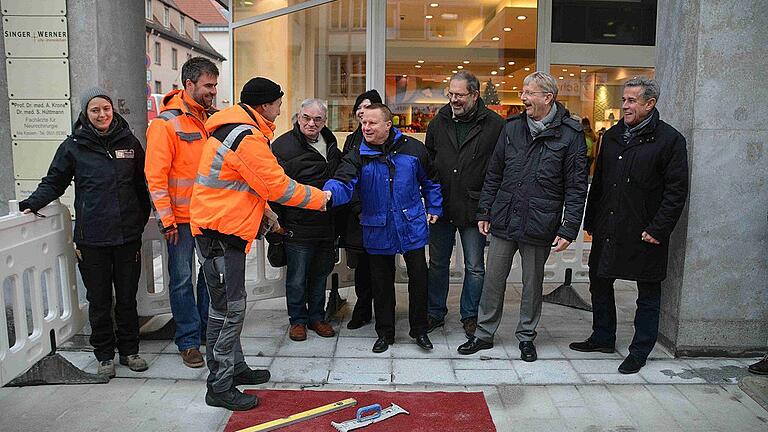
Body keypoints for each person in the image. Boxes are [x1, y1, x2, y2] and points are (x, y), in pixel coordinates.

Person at [191, 77, 331, 411]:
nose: (281, 109)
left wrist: (268, 218)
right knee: (228, 311)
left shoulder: (236, 130)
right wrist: (321, 198)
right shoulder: (247, 137)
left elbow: (248, 185)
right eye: (279, 103)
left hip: (220, 232)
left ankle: (235, 367)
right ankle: (220, 385)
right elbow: (279, 186)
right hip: (220, 236)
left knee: (226, 308)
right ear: (265, 104)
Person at [19, 87, 151, 378]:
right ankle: (104, 355)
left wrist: (139, 221)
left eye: (106, 108)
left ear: (112, 110)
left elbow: (141, 187)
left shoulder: (129, 142)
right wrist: (32, 203)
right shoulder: (74, 146)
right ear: (85, 114)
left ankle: (130, 351)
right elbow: (55, 181)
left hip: (127, 237)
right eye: (95, 110)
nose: (102, 114)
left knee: (127, 298)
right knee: (100, 300)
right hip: (92, 238)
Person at [458, 72, 588, 362]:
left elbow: (576, 187)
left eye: (529, 93)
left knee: (532, 284)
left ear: (547, 97)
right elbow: (494, 172)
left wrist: (568, 229)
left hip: (540, 221)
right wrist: (485, 210)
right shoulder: (512, 127)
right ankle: (483, 333)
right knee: (493, 279)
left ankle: (526, 336)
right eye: (523, 91)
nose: (523, 97)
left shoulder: (571, 134)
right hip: (505, 217)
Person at [570, 77, 689, 374]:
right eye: (624, 100)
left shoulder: (670, 140)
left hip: (645, 231)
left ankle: (639, 350)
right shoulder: (610, 137)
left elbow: (676, 191)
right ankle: (602, 337)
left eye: (632, 100)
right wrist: (591, 220)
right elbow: (598, 183)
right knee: (599, 282)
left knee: (647, 293)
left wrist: (658, 228)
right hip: (608, 227)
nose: (625, 106)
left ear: (650, 104)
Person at [324, 103, 442, 354]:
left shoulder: (414, 149)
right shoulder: (358, 153)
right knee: (381, 284)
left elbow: (431, 181)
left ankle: (419, 330)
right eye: (364, 123)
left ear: (388, 125)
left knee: (419, 279)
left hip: (411, 226)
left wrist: (434, 207)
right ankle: (385, 333)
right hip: (377, 227)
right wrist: (328, 194)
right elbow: (343, 180)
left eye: (372, 123)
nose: (365, 127)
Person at [145, 57, 219, 368]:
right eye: (208, 86)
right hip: (180, 221)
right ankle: (188, 341)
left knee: (209, 276)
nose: (212, 92)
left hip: (209, 217)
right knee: (181, 279)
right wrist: (166, 220)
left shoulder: (212, 121)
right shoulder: (166, 124)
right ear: (188, 85)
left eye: (214, 86)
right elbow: (155, 176)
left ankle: (203, 331)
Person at [425, 71, 504, 338]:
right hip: (442, 206)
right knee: (437, 263)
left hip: (475, 208)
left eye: (459, 95)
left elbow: (498, 168)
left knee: (475, 266)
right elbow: (430, 165)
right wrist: (431, 202)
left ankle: (470, 315)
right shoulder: (439, 123)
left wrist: (489, 207)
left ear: (474, 95)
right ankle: (435, 312)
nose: (454, 100)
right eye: (451, 94)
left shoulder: (494, 125)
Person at [270, 99, 342, 341]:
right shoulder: (282, 146)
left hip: (326, 224)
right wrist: (276, 223)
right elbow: (273, 189)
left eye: (317, 119)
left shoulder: (331, 143)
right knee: (297, 278)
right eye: (306, 118)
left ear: (324, 121)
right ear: (298, 117)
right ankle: (297, 321)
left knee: (321, 275)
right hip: (296, 226)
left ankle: (317, 318)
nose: (311, 123)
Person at [339, 89, 382, 330]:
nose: (363, 112)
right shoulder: (352, 141)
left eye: (369, 107)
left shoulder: (386, 140)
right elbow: (347, 176)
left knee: (381, 265)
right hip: (358, 215)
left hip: (380, 213)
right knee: (362, 266)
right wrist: (356, 207)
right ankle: (362, 308)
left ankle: (383, 309)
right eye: (360, 108)